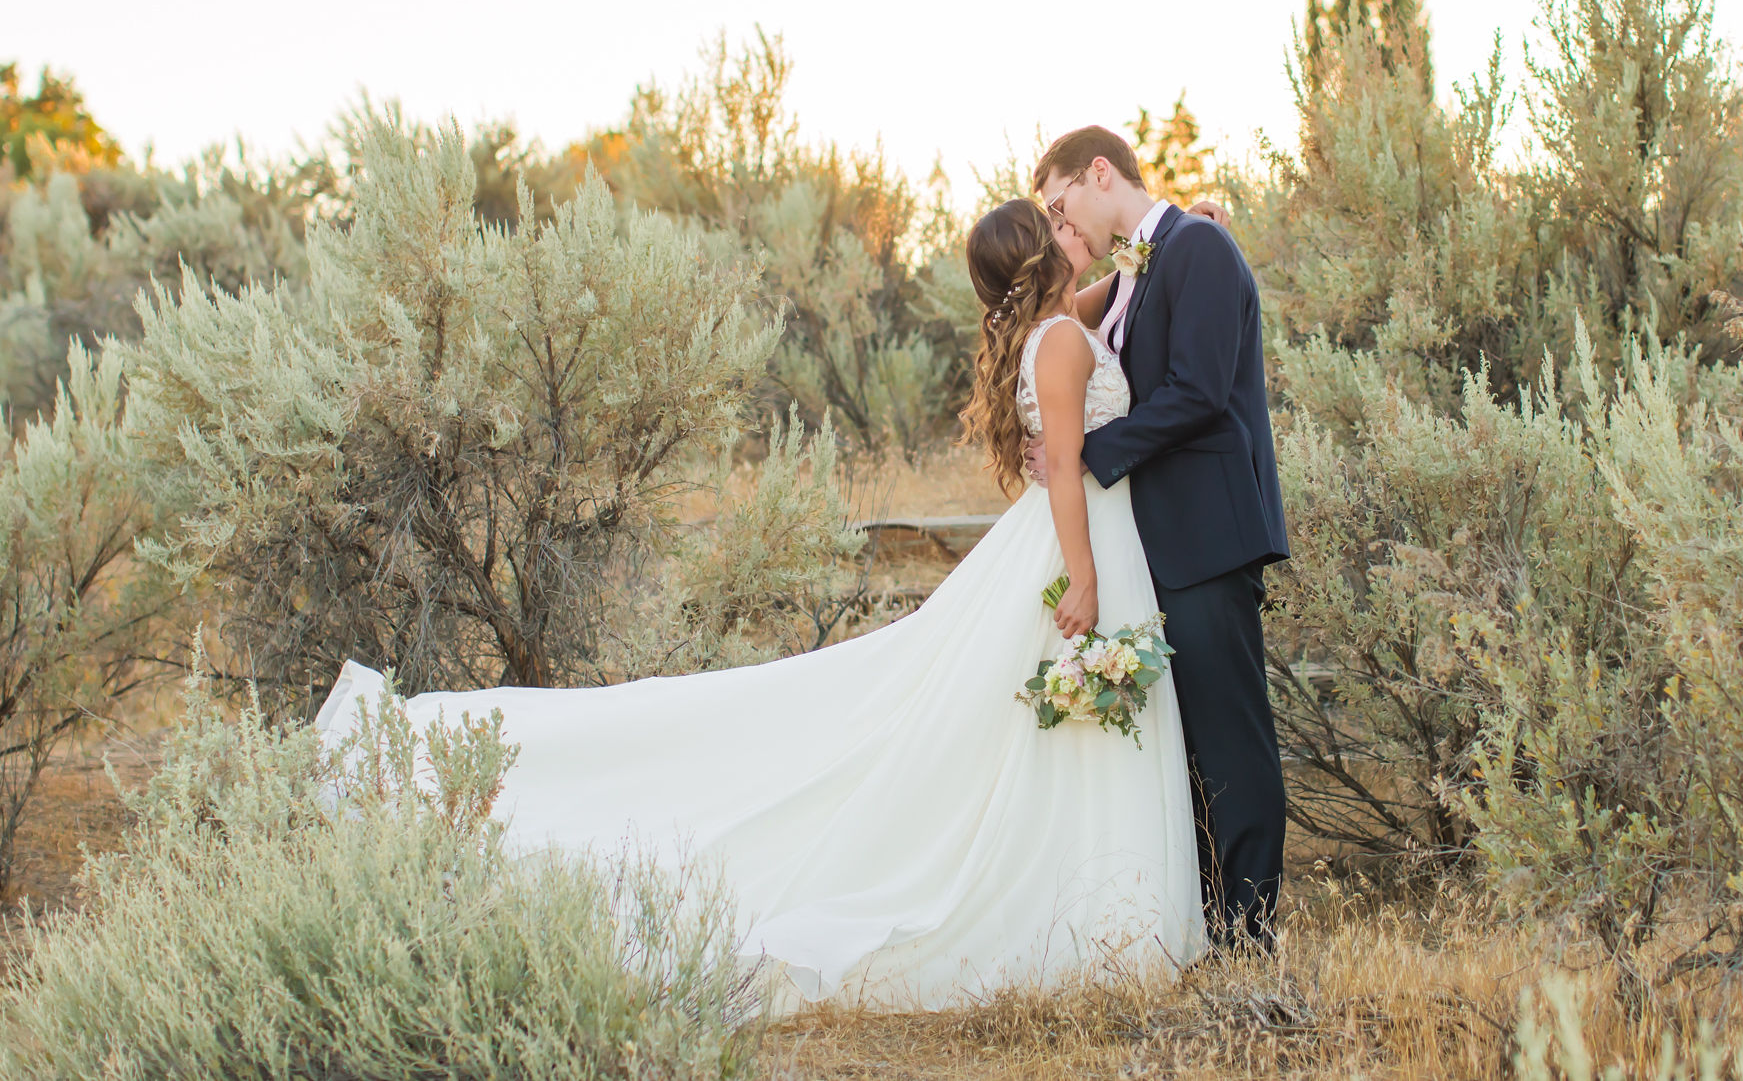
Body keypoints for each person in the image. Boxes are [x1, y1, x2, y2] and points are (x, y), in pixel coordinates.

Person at [314, 197, 1203, 1014]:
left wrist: (1157, 238)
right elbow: (1065, 471)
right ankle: (1082, 903)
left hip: (1083, 538)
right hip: (1074, 542)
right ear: (1046, 256)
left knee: (1032, 723)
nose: (1069, 226)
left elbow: (1106, 293)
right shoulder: (1057, 342)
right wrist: (1082, 575)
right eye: (1057, 224)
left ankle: (1092, 894)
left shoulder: (1055, 328)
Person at [1026, 125, 1290, 949]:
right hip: (1164, 543)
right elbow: (1052, 322)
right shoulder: (1139, 267)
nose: (1061, 226)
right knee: (1193, 746)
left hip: (1208, 534)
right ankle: (1212, 922)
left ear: (1099, 172)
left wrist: (1086, 455)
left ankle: (1250, 937)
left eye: (1063, 205)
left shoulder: (1198, 246)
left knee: (1232, 741)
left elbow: (1201, 392)